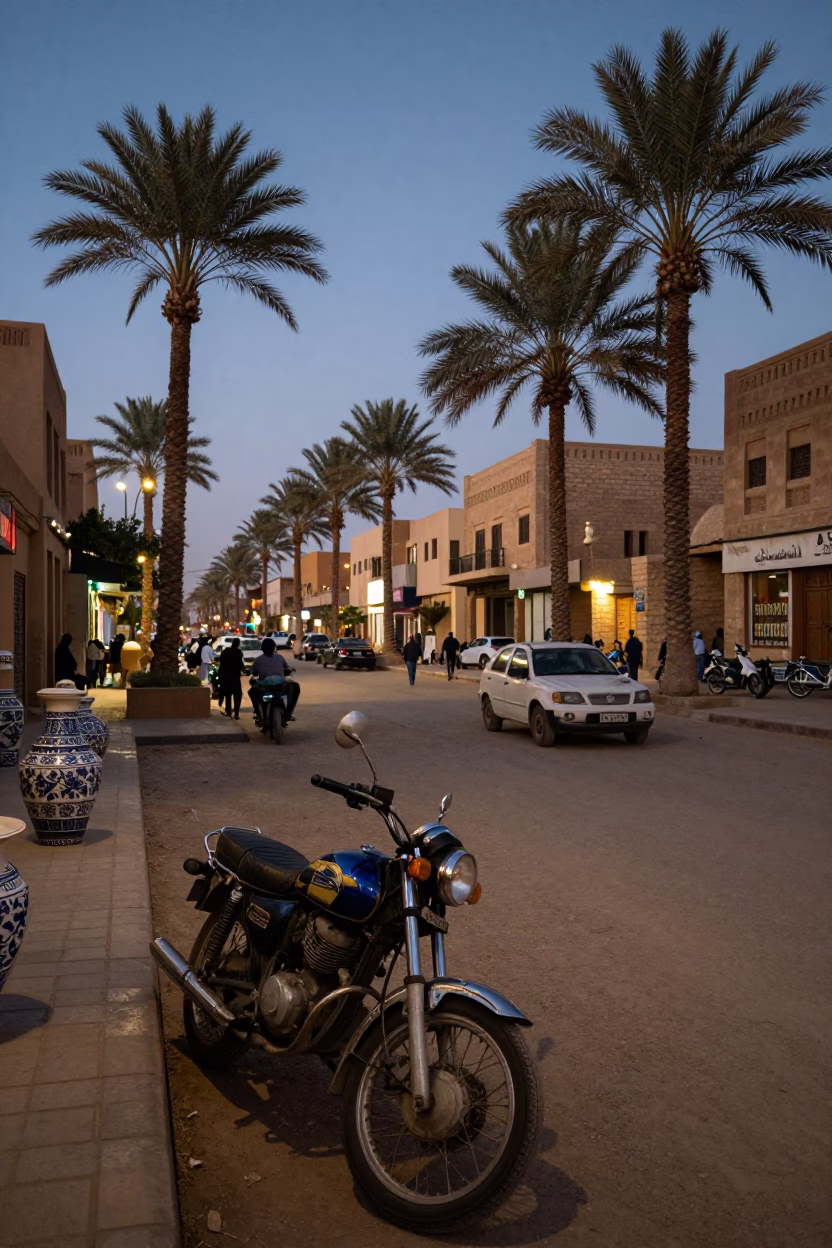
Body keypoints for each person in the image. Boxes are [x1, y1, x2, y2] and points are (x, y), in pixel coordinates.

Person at [249, 637, 300, 722]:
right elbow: (287, 668)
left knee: (252, 691)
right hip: (279, 686)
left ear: (262, 648)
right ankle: (289, 713)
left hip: (264, 686)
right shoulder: (279, 657)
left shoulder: (258, 660)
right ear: (274, 648)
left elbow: (254, 673)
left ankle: (257, 712)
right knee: (295, 686)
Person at [217, 637, 244, 719]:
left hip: (226, 677)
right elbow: (241, 664)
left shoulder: (225, 651)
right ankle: (236, 714)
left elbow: (221, 664)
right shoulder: (239, 652)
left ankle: (228, 712)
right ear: (238, 644)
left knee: (228, 695)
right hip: (235, 677)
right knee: (237, 696)